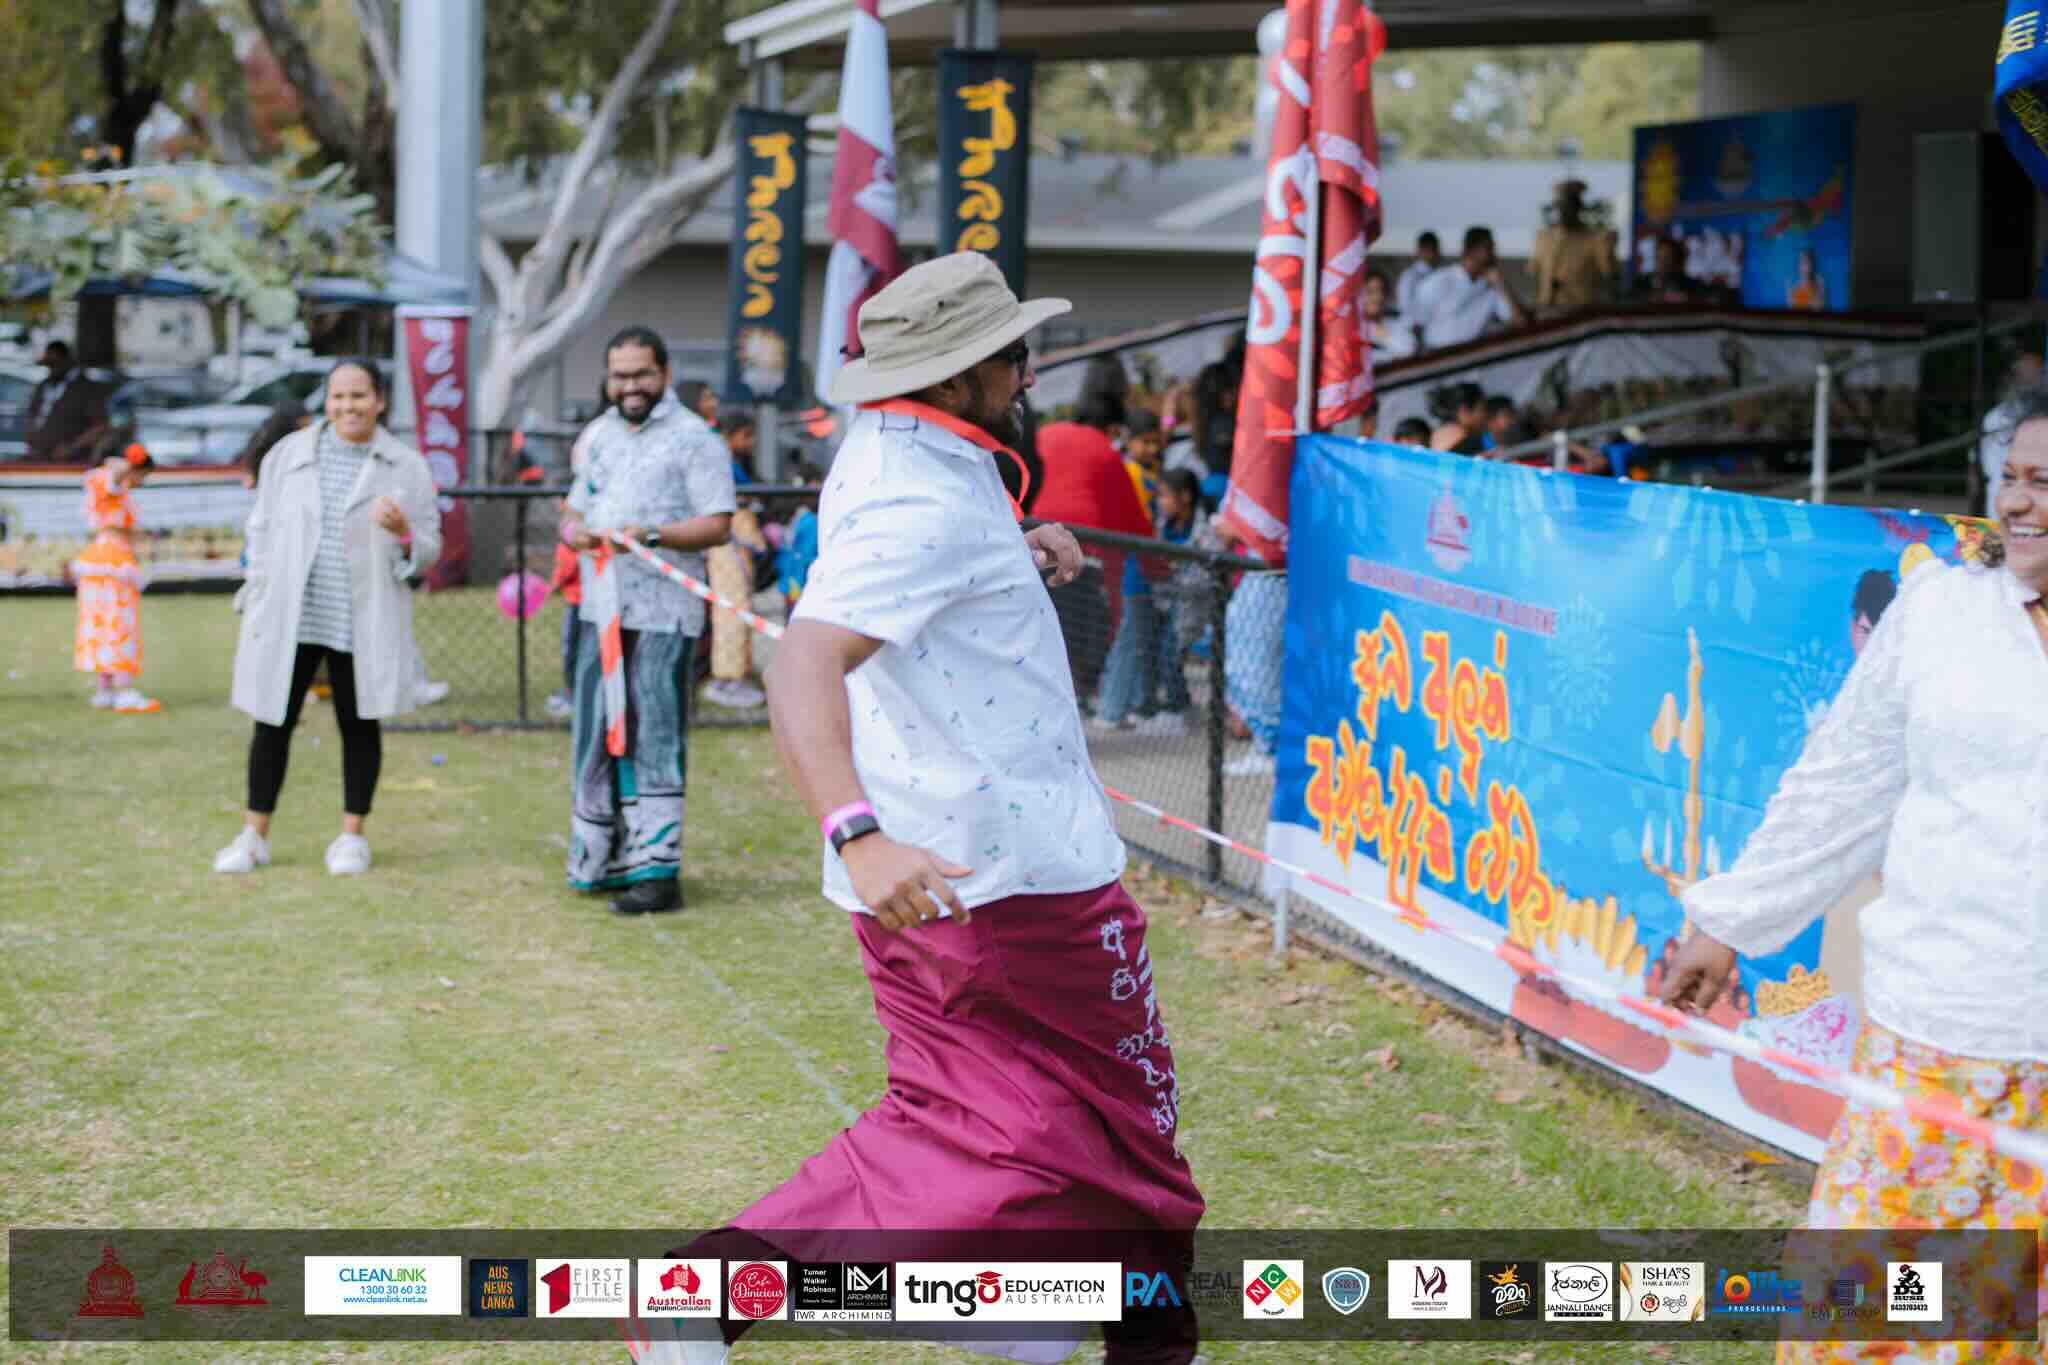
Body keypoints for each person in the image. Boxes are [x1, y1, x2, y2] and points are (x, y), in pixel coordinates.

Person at [645, 250, 1202, 1365]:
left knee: (1019, 1134)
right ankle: (712, 1290)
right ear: (951, 379)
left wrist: (1015, 549)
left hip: (969, 870)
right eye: (1005, 354)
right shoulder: (922, 497)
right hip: (996, 884)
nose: (1024, 366)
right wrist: (854, 833)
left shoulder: (911, 455)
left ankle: (1041, 1323)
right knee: (1112, 1143)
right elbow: (802, 660)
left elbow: (904, 573)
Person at [1658, 385, 2048, 1365]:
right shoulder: (1940, 614)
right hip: (1934, 1045)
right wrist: (1727, 926)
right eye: (2007, 479)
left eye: (2044, 481)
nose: (2018, 502)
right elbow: (1838, 786)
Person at [213, 360, 443, 877]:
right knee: (272, 720)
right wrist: (260, 588)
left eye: (358, 397)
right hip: (294, 612)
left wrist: (405, 531)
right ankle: (254, 834)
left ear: (379, 400)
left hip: (360, 615)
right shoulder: (288, 456)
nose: (347, 407)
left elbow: (429, 547)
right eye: (338, 397)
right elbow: (262, 527)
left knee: (359, 724)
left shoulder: (405, 465)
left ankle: (351, 836)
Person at [557, 327, 735, 914]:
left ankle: (658, 872)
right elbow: (573, 505)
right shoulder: (598, 436)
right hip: (599, 609)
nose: (629, 386)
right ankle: (602, 858)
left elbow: (718, 524)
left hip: (664, 614)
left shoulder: (696, 440)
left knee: (653, 734)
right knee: (597, 730)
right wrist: (575, 531)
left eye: (641, 374)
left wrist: (649, 537)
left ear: (663, 373)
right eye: (620, 375)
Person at [74, 438, 160, 713]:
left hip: (103, 558)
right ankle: (123, 689)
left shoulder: (113, 488)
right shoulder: (106, 481)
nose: (140, 482)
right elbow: (112, 475)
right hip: (114, 559)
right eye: (141, 476)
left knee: (102, 623)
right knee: (120, 625)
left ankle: (106, 688)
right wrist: (129, 461)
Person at [1412, 226, 1528, 350]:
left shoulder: (1492, 288)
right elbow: (1415, 326)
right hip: (1436, 356)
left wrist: (1501, 285)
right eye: (1490, 249)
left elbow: (1520, 322)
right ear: (1474, 251)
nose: (1495, 255)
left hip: (1472, 358)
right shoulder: (1437, 282)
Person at [1529, 179, 1617, 315]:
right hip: (1546, 310)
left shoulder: (1595, 240)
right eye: (1561, 206)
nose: (1565, 211)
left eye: (1570, 206)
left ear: (1579, 208)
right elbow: (1534, 273)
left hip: (1579, 313)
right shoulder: (1543, 238)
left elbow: (1610, 276)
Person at [1979, 352, 2044, 517]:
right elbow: (1986, 463)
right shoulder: (1995, 417)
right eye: (2023, 373)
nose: (2029, 380)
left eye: (2036, 374)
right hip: (2000, 494)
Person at [26, 340, 108, 462]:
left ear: (67, 361)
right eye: (49, 365)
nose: (52, 369)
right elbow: (32, 416)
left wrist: (72, 447)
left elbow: (100, 426)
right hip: (39, 456)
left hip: (72, 461)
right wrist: (30, 437)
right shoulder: (43, 385)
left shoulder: (86, 388)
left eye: (55, 364)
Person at [1363, 268, 1416, 364]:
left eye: (1382, 291)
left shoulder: (1398, 325)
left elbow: (1409, 351)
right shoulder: (1349, 331)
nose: (1378, 297)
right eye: (1370, 292)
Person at [1632, 236, 1702, 304]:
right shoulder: (1641, 284)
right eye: (1659, 258)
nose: (1662, 264)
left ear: (1677, 262)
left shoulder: (1691, 285)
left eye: (1667, 258)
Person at [1395, 230, 1443, 323]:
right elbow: (1405, 305)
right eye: (1431, 250)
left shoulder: (1440, 275)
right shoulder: (1410, 276)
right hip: (1414, 326)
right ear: (1421, 251)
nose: (1435, 254)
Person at [1431, 383, 1489, 455]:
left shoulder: (1438, 433)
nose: (1486, 415)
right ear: (1464, 410)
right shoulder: (1467, 442)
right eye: (1482, 409)